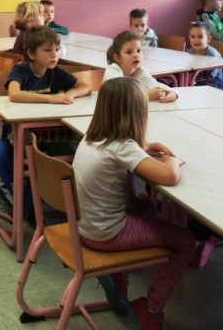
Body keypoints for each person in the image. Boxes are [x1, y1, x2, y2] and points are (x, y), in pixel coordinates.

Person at [73, 77, 195, 330]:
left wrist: (144, 147)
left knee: (147, 208)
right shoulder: (123, 148)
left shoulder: (92, 137)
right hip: (107, 234)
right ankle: (151, 310)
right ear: (138, 113)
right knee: (185, 241)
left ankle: (118, 278)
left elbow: (124, 151)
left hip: (85, 227)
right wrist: (172, 161)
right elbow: (170, 177)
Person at [6, 27, 90, 103]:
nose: (54, 55)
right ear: (31, 54)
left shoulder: (56, 71)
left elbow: (85, 87)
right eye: (47, 50)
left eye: (57, 49)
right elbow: (14, 94)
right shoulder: (20, 70)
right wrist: (50, 98)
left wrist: (70, 94)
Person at [104, 31, 178, 102]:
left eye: (139, 51)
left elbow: (155, 85)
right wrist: (146, 95)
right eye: (129, 52)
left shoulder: (140, 72)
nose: (136, 55)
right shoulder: (112, 71)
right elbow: (117, 97)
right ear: (117, 58)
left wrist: (172, 93)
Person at [187, 22, 223, 88]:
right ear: (189, 38)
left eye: (200, 37)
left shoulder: (213, 54)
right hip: (197, 78)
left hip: (213, 80)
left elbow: (212, 75)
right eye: (193, 37)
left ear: (208, 39)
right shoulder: (190, 52)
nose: (196, 40)